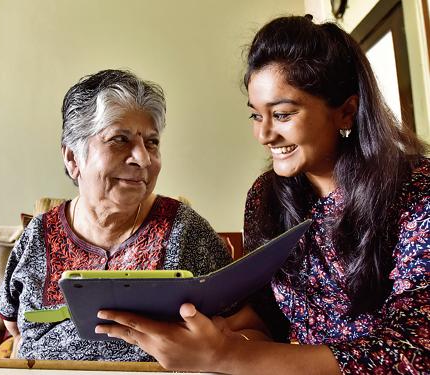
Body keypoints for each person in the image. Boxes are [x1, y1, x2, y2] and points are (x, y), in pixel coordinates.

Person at [96, 16, 429, 374]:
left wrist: (224, 355)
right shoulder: (265, 197)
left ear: (346, 111)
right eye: (256, 115)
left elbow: (413, 350)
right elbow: (268, 322)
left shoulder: (417, 190)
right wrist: (216, 334)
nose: (264, 134)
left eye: (283, 114)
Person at [0, 69, 232, 361]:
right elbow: (13, 324)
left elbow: (240, 323)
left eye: (152, 142)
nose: (143, 158)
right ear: (72, 158)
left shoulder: (185, 230)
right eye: (120, 139)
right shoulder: (38, 234)